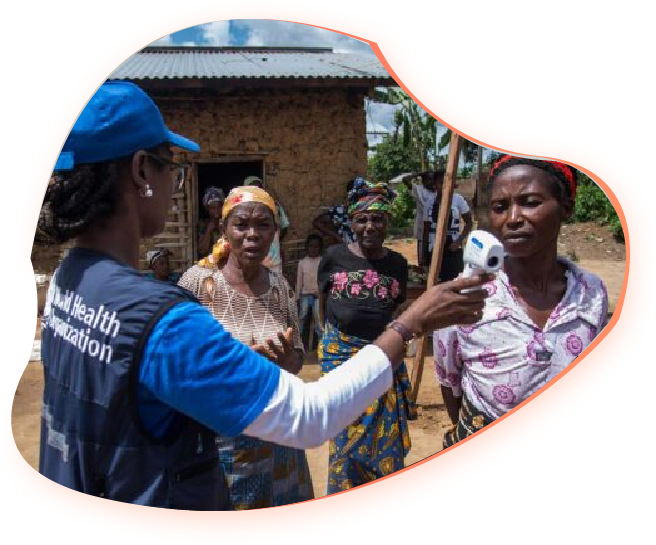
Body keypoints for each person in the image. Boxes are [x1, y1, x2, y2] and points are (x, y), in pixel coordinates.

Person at [37, 80, 491, 509]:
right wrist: (411, 323)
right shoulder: (164, 319)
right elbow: (310, 417)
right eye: (170, 167)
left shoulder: (68, 281)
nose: (176, 184)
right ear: (141, 171)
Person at [433, 156, 609, 448]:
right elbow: (450, 384)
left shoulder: (591, 293)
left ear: (566, 208)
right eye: (500, 207)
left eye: (529, 202)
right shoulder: (464, 297)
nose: (512, 218)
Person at [178, 186, 312, 509]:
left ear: (274, 233)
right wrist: (235, 364)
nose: (252, 235)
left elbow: (296, 359)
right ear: (224, 230)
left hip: (279, 439)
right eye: (242, 225)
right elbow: (177, 359)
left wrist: (285, 360)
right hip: (220, 439)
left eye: (263, 225)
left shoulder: (280, 287)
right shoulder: (198, 284)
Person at [317, 178, 414, 494]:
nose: (370, 225)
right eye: (362, 219)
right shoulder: (333, 257)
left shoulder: (397, 264)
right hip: (342, 359)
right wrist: (330, 343)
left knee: (384, 443)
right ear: (352, 222)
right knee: (345, 437)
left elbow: (397, 313)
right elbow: (323, 303)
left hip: (382, 360)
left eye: (378, 218)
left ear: (388, 222)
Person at [425, 173, 473, 281]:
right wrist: (425, 254)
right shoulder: (429, 201)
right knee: (436, 282)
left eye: (447, 183)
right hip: (434, 249)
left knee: (455, 282)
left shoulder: (458, 199)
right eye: (441, 182)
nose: (444, 186)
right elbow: (426, 229)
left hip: (453, 249)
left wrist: (458, 241)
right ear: (435, 185)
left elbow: (469, 223)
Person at [243, 175, 289, 274]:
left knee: (274, 287)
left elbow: (284, 226)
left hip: (273, 258)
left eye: (259, 188)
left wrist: (276, 242)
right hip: (252, 258)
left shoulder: (274, 205)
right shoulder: (242, 208)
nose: (257, 191)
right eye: (253, 188)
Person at [401, 171, 439, 266]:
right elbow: (405, 180)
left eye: (432, 179)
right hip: (422, 229)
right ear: (423, 181)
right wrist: (418, 174)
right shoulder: (419, 190)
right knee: (423, 256)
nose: (431, 182)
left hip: (436, 229)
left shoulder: (439, 192)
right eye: (428, 179)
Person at [296, 234, 324, 345]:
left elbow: (324, 279)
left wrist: (322, 293)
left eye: (316, 246)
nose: (313, 249)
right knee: (302, 316)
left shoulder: (322, 261)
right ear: (306, 247)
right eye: (311, 246)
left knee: (319, 318)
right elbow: (299, 281)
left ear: (320, 248)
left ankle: (322, 342)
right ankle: (297, 340)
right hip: (305, 295)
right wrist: (297, 297)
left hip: (318, 295)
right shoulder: (302, 263)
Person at [312, 178, 357, 246]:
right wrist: (336, 236)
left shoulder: (366, 210)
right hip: (347, 251)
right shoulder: (340, 211)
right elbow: (317, 222)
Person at [198, 186, 225, 258]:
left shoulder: (228, 222)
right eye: (212, 208)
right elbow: (203, 250)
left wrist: (222, 230)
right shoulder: (203, 224)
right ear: (207, 209)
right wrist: (208, 231)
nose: (216, 210)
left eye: (219, 207)